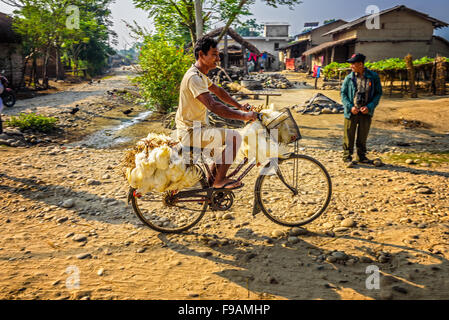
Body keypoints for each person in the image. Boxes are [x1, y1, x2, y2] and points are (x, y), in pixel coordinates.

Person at [175, 36, 258, 189]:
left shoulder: (201, 75)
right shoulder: (194, 78)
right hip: (191, 131)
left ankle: (210, 185)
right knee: (234, 138)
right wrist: (244, 116)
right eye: (214, 54)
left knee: (222, 152)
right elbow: (213, 105)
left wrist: (239, 106)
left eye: (218, 54)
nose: (218, 58)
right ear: (201, 55)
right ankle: (219, 181)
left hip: (198, 128)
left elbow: (219, 91)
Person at [341, 53, 382, 164]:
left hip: (366, 112)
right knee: (348, 135)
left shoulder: (373, 77)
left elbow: (378, 93)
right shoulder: (348, 78)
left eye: (353, 64)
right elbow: (343, 94)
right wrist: (350, 107)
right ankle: (347, 157)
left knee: (362, 135)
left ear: (360, 64)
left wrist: (370, 107)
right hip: (352, 112)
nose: (351, 66)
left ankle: (361, 156)